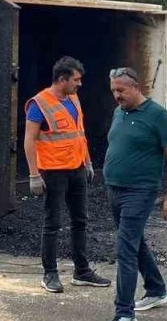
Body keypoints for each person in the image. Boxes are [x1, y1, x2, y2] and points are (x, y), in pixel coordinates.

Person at [101, 66, 167, 321]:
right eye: (113, 91)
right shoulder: (119, 112)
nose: (116, 96)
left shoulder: (157, 115)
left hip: (140, 191)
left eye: (121, 90)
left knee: (125, 248)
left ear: (137, 87)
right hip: (114, 188)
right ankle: (157, 290)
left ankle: (124, 314)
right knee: (134, 242)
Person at [24, 56, 110, 293]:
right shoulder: (39, 104)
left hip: (77, 169)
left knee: (80, 221)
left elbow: (79, 133)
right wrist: (34, 175)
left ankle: (81, 271)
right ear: (62, 79)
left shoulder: (73, 98)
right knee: (52, 223)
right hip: (53, 172)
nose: (80, 84)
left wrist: (88, 162)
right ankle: (50, 274)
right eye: (76, 80)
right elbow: (29, 140)